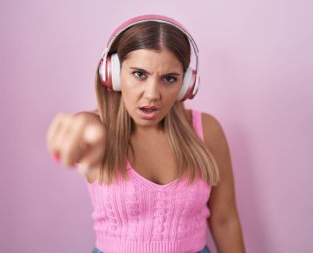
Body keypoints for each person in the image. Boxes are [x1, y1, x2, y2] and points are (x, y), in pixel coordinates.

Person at [46, 15, 245, 253]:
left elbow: (225, 220)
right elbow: (86, 132)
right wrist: (81, 130)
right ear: (114, 75)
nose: (152, 94)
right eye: (139, 74)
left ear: (186, 85)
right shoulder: (99, 129)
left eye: (169, 79)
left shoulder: (207, 131)